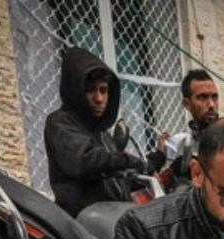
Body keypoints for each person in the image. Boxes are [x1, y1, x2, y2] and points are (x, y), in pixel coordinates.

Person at [43, 47, 165, 217]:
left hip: (112, 219)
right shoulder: (60, 122)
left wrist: (154, 162)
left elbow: (118, 179)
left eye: (103, 90)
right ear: (75, 90)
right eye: (90, 90)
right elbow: (84, 161)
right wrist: (127, 160)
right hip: (84, 224)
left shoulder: (102, 134)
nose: (99, 99)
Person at [161, 69, 221, 192]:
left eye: (214, 97)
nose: (211, 105)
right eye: (202, 97)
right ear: (187, 104)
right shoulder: (185, 145)